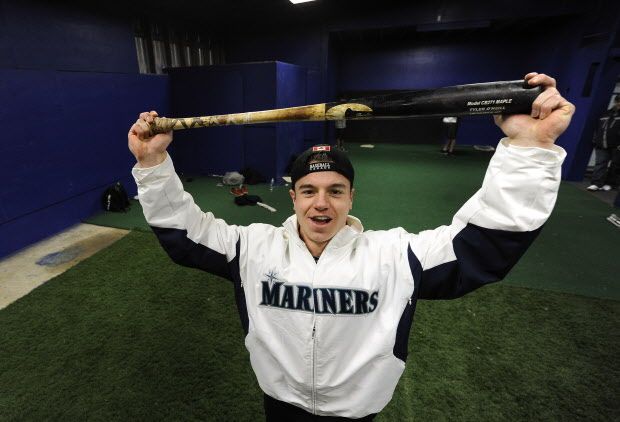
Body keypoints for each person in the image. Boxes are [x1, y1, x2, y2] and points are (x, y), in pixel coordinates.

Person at [128, 72, 574, 421]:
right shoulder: (252, 248)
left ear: (351, 198)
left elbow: (486, 244)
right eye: (309, 190)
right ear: (294, 196)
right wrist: (152, 164)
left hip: (358, 412)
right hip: (279, 404)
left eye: (335, 190)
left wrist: (531, 147)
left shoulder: (395, 257)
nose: (321, 203)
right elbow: (182, 233)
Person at [587, 95, 620, 191]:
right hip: (601, 144)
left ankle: (610, 184)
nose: (618, 103)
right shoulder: (606, 114)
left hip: (617, 146)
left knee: (615, 165)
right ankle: (596, 183)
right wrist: (596, 140)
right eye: (617, 101)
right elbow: (598, 128)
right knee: (600, 164)